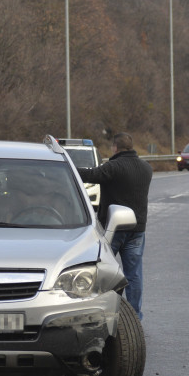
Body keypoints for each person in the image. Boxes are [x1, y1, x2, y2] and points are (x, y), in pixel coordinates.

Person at [77, 132, 152, 320]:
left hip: (114, 229)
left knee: (105, 271)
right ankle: (135, 317)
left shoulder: (113, 167)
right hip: (137, 230)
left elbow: (90, 175)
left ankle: (104, 314)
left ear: (115, 147)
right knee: (134, 275)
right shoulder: (146, 168)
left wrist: (68, 168)